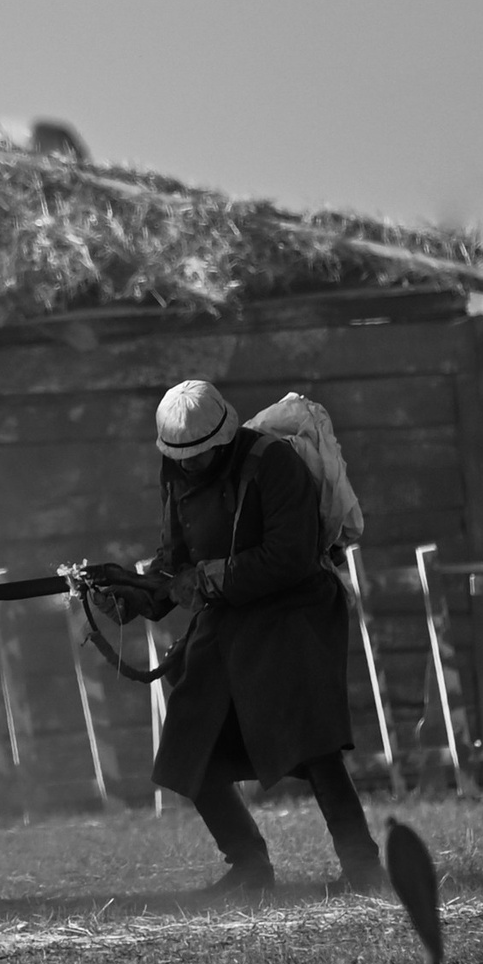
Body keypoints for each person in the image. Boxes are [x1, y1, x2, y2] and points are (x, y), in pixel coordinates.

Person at [144, 380, 383, 896]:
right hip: (228, 618)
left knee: (312, 743)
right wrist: (136, 592)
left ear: (222, 440)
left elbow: (290, 557)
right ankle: (249, 866)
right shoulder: (177, 473)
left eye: (197, 456)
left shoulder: (272, 463)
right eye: (179, 457)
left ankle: (363, 866)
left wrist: (206, 578)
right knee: (192, 745)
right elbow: (176, 559)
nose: (187, 466)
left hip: (293, 611)